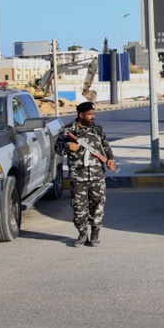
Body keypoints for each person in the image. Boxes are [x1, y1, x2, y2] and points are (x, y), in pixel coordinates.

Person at [54, 101, 116, 247]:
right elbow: (57, 148)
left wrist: (111, 160)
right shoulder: (68, 130)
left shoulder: (97, 129)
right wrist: (68, 146)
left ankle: (95, 234)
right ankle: (82, 234)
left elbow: (105, 147)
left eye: (94, 114)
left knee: (98, 204)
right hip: (78, 175)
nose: (93, 117)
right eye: (89, 114)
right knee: (79, 207)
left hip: (97, 175)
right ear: (81, 115)